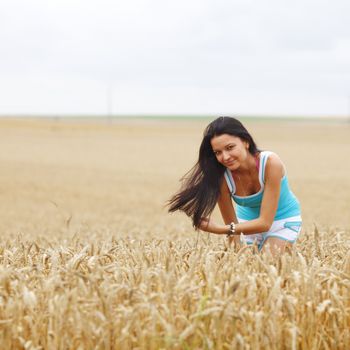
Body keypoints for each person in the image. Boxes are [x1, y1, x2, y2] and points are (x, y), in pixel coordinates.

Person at [168, 116, 302, 255]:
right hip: (245, 225)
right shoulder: (222, 178)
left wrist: (219, 229)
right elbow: (233, 231)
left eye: (230, 147)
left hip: (282, 222)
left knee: (268, 261)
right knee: (243, 265)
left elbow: (265, 223)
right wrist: (236, 255)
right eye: (218, 152)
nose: (225, 157)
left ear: (246, 142)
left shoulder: (270, 163)